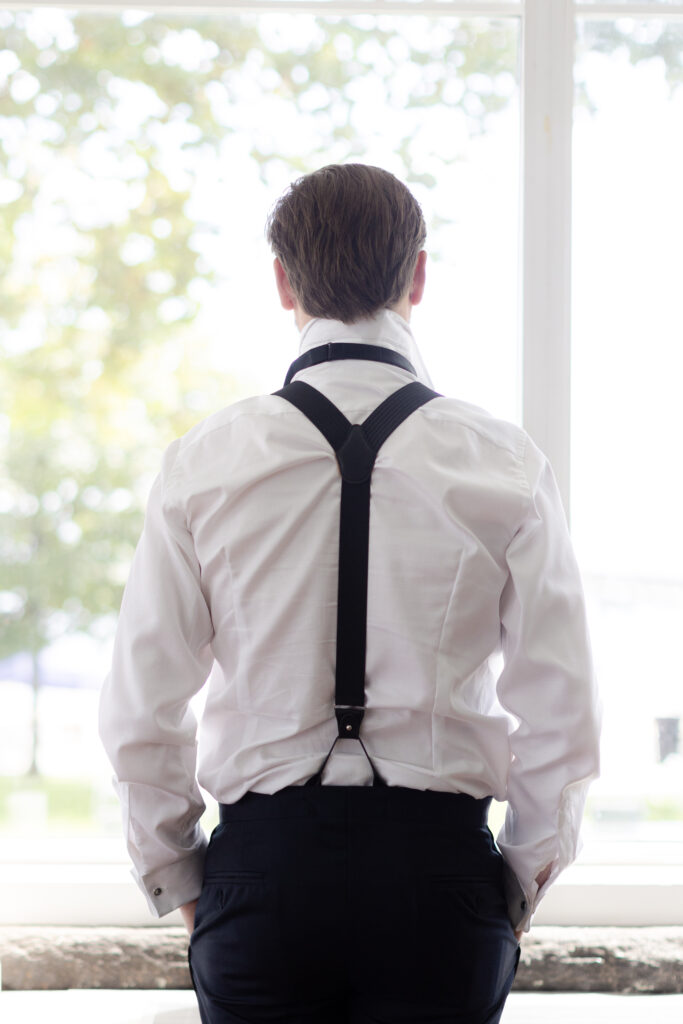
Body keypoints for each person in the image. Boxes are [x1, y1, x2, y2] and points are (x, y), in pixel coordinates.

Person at [99, 163, 601, 1024]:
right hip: (439, 886)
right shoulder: (503, 462)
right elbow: (561, 717)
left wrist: (194, 889)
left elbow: (143, 714)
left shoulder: (204, 463)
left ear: (282, 282)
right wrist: (508, 891)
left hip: (261, 884)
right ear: (417, 276)